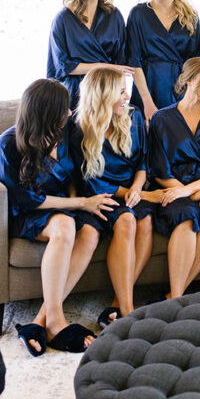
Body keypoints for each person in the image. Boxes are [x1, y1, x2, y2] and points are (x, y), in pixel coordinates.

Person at [0, 79, 116, 356]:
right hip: (28, 213)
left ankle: (40, 322)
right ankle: (58, 322)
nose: (70, 113)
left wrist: (83, 202)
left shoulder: (66, 133)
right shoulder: (8, 144)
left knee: (91, 231)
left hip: (66, 205)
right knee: (64, 224)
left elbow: (74, 175)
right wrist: (80, 203)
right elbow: (24, 199)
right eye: (64, 109)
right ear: (47, 111)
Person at [74, 67, 161, 327]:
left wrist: (137, 188)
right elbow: (92, 180)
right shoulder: (80, 129)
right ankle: (129, 309)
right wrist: (141, 194)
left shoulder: (132, 118)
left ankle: (117, 304)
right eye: (121, 92)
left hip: (131, 189)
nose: (127, 98)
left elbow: (143, 164)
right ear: (103, 95)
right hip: (100, 195)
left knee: (145, 222)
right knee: (127, 222)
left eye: (127, 91)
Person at [148, 57, 200, 298]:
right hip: (175, 189)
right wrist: (192, 193)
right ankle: (176, 297)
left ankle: (176, 293)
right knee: (186, 215)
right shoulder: (161, 119)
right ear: (190, 78)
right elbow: (160, 171)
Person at [47, 0, 132, 110]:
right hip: (76, 94)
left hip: (108, 91)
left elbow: (120, 60)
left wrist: (122, 92)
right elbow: (61, 66)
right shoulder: (63, 19)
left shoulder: (113, 15)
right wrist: (102, 66)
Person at [126, 0, 200, 124]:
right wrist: (147, 102)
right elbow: (134, 61)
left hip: (181, 91)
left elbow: (196, 62)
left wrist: (189, 99)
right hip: (147, 88)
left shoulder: (191, 16)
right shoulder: (138, 14)